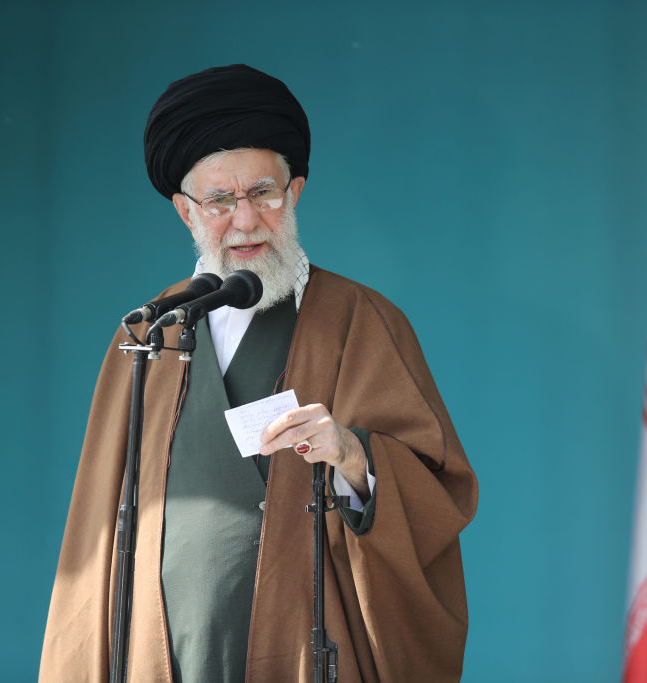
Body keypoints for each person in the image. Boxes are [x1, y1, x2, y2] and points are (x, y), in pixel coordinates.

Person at [39, 64, 478, 683]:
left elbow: (436, 494)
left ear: (294, 192)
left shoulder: (362, 319)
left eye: (263, 194)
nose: (245, 221)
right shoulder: (149, 332)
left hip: (303, 647)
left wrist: (355, 458)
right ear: (185, 210)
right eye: (219, 200)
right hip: (161, 649)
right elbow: (98, 522)